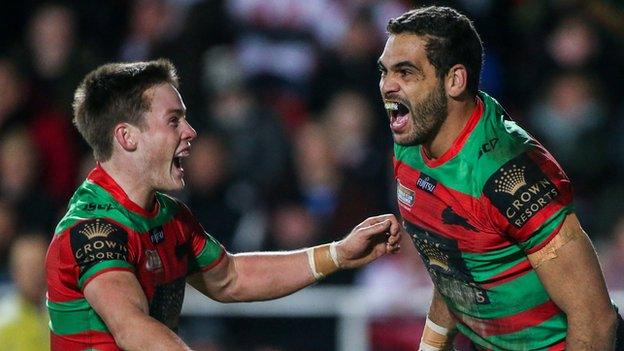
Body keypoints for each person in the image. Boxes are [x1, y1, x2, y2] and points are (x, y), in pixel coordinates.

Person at [45, 59, 403, 351]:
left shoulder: (170, 216)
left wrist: (338, 253)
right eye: (173, 120)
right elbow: (132, 328)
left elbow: (231, 277)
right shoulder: (92, 229)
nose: (190, 131)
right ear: (127, 137)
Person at [377, 6, 623, 351]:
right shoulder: (410, 141)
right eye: (385, 71)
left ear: (454, 80)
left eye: (406, 72)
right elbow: (452, 264)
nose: (388, 85)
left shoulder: (507, 173)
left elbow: (596, 320)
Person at [0, 233, 50, 351]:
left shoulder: (64, 312)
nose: (35, 274)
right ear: (14, 271)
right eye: (28, 267)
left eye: (39, 265)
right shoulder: (3, 318)